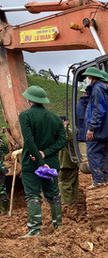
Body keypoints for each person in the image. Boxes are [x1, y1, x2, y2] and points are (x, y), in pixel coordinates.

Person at [15, 86, 66, 236]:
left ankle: (34, 230)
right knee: (53, 195)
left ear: (29, 99)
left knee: (33, 195)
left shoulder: (25, 116)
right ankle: (59, 227)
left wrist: (38, 159)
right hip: (51, 164)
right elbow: (62, 140)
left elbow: (29, 142)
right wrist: (45, 154)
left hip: (31, 165)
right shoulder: (55, 118)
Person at [83, 67, 108, 188]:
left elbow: (98, 110)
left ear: (91, 77)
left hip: (98, 130)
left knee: (93, 153)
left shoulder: (97, 89)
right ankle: (103, 179)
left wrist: (92, 128)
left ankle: (98, 180)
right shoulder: (103, 89)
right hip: (104, 129)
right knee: (103, 153)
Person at [57, 116, 80, 205]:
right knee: (73, 183)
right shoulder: (71, 132)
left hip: (66, 163)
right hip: (72, 162)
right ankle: (74, 203)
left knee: (64, 184)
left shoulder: (66, 132)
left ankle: (67, 204)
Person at [0, 131, 8, 214]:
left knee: (2, 189)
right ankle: (4, 210)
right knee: (2, 189)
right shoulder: (1, 142)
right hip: (2, 168)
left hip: (1, 169)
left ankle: (4, 210)